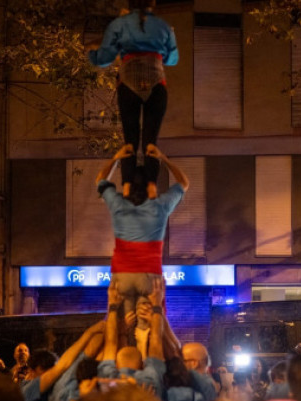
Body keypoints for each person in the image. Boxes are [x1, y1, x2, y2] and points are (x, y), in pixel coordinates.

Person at [96, 144, 188, 351]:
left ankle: (124, 361)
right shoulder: (160, 206)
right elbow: (184, 182)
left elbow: (100, 180)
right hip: (149, 274)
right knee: (146, 327)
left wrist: (116, 158)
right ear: (150, 187)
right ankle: (146, 356)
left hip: (123, 274)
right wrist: (164, 157)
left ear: (127, 186)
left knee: (124, 324)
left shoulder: (118, 205)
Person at [88, 0, 178, 198]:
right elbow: (173, 59)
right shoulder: (164, 27)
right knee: (150, 140)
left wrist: (91, 54)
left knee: (130, 138)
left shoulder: (118, 25)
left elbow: (104, 58)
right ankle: (152, 188)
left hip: (128, 83)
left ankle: (127, 187)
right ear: (152, 3)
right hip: (156, 83)